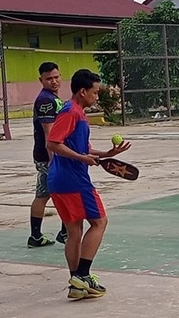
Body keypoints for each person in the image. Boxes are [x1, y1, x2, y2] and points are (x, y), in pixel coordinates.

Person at [46, 69, 130, 300]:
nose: (96, 96)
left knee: (74, 231)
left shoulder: (78, 114)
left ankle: (76, 284)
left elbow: (82, 148)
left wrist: (107, 153)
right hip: (73, 181)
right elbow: (53, 143)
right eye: (94, 92)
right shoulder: (71, 112)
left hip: (59, 181)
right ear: (82, 92)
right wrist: (83, 159)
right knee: (100, 222)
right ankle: (82, 274)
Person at [28, 62, 68, 248]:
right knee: (48, 194)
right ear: (41, 80)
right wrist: (54, 160)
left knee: (56, 193)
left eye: (56, 77)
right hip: (48, 156)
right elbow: (49, 133)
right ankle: (40, 236)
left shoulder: (53, 98)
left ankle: (62, 232)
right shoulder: (45, 100)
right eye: (49, 78)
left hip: (55, 155)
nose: (54, 81)